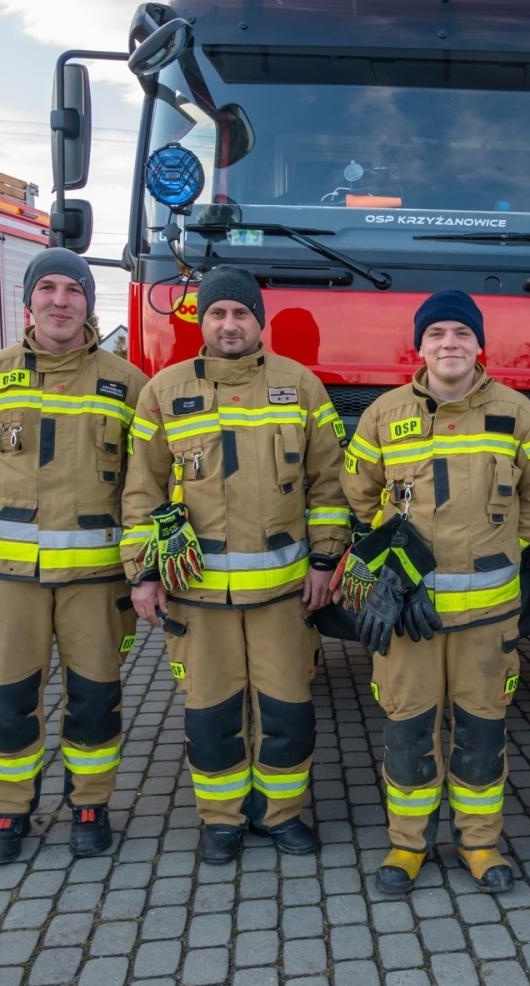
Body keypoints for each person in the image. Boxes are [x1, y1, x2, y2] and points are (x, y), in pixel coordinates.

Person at [122, 267, 351, 865]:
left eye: (241, 314)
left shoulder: (301, 387)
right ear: (201, 319)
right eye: (218, 313)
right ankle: (220, 819)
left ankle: (282, 815)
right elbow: (141, 493)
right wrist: (142, 574)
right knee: (212, 714)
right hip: (197, 597)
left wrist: (326, 560)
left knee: (287, 712)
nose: (229, 324)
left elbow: (330, 485)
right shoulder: (163, 391)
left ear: (259, 322)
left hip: (283, 595)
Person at [341, 290, 530, 896]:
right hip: (409, 616)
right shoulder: (384, 415)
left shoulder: (516, 413)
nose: (449, 345)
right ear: (420, 346)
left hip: (488, 618)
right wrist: (383, 556)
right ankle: (408, 846)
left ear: (479, 345)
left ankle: (480, 843)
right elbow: (357, 492)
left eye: (461, 334)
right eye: (436, 334)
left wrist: (510, 541)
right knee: (408, 733)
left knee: (481, 735)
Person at [0, 248, 148, 866]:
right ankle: (8, 813)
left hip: (96, 579)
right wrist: (1, 515)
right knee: (7, 699)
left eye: (73, 290)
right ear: (28, 301)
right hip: (11, 583)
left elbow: (146, 474)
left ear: (90, 302)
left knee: (94, 697)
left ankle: (90, 804)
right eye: (48, 289)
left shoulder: (127, 382)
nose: (60, 301)